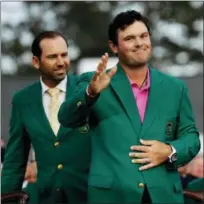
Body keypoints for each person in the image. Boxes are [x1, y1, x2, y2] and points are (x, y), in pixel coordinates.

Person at [58, 10, 200, 204]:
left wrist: (170, 150)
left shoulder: (176, 88)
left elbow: (191, 137)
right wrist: (90, 93)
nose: (139, 43)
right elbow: (66, 118)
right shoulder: (94, 82)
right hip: (112, 196)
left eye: (143, 36)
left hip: (164, 195)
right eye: (130, 38)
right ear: (114, 46)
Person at [1, 31, 91, 204]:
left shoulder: (86, 89)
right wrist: (7, 197)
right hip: (44, 198)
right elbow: (15, 159)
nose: (60, 62)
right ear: (36, 61)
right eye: (52, 57)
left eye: (64, 55)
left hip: (88, 197)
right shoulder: (23, 100)